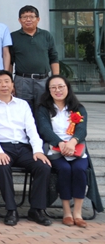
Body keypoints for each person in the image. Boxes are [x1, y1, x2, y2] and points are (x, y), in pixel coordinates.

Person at [0, 70, 52, 226]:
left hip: (22, 147)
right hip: (0, 147)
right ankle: (11, 209)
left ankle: (36, 210)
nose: (4, 85)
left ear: (12, 84)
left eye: (7, 81)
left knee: (43, 166)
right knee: (2, 165)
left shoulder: (22, 104)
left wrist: (38, 150)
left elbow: (32, 129)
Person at [35, 75, 101, 227]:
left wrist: (72, 142)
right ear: (48, 90)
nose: (57, 90)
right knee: (64, 170)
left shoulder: (78, 108)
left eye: (61, 87)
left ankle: (77, 213)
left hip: (76, 148)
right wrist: (60, 143)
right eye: (53, 87)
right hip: (55, 149)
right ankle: (66, 212)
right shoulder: (43, 109)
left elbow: (82, 130)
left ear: (67, 88)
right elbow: (44, 129)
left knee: (79, 170)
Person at [10, 5, 59, 114]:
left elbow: (54, 57)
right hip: (22, 81)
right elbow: (10, 62)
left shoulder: (46, 35)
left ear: (38, 19)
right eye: (24, 17)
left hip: (43, 80)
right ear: (19, 20)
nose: (28, 19)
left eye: (31, 17)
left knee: (43, 110)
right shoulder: (13, 37)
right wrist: (10, 82)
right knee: (22, 111)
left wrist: (56, 79)